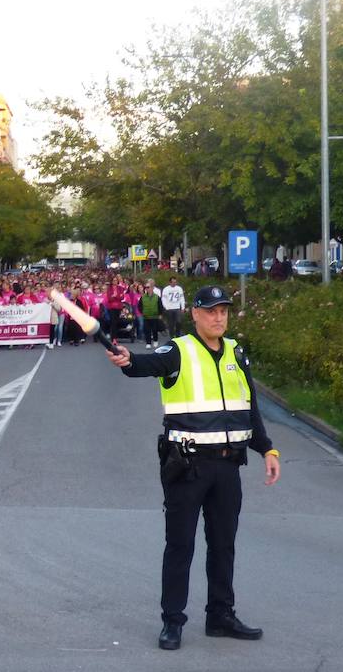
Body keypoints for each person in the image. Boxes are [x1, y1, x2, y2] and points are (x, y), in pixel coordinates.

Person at [105, 285, 281, 651]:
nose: (219, 317)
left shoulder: (236, 353)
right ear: (195, 314)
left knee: (223, 545)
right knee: (180, 545)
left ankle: (221, 616)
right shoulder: (179, 350)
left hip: (227, 467)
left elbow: (249, 407)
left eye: (224, 311)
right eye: (211, 311)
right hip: (187, 467)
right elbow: (144, 365)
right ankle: (173, 622)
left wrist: (267, 448)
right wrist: (127, 360)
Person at [140, 279, 163, 348]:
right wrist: (142, 312)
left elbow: (160, 306)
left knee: (154, 329)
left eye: (148, 287)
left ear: (152, 288)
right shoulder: (143, 297)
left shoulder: (157, 297)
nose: (147, 289)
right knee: (147, 330)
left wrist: (160, 314)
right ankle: (148, 343)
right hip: (146, 316)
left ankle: (155, 341)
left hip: (154, 316)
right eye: (146, 287)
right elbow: (139, 306)